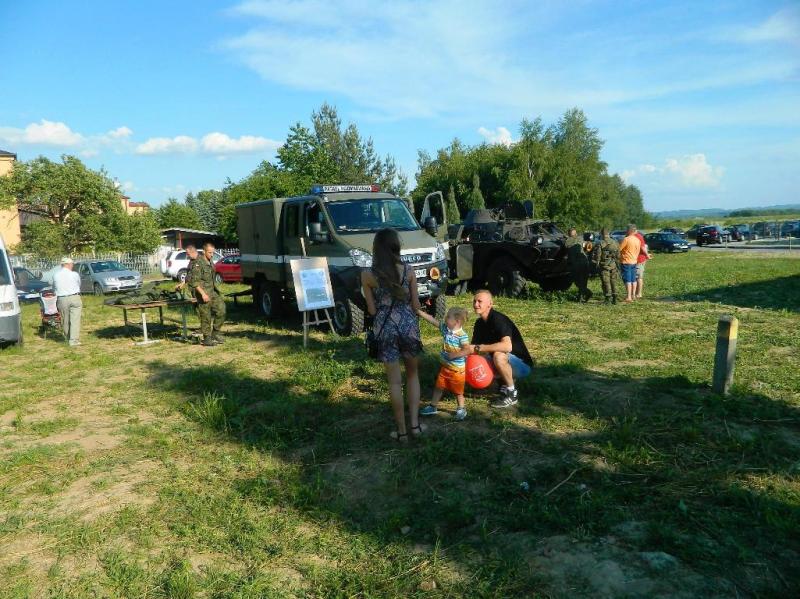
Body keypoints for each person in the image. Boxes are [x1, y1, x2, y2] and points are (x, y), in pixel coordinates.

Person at [362, 228, 424, 442]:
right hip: (408, 327)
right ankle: (415, 426)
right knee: (413, 375)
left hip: (385, 328)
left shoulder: (368, 275)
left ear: (376, 249)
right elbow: (416, 306)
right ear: (396, 246)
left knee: (395, 383)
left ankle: (402, 432)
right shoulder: (409, 270)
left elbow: (371, 311)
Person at [467, 290, 533, 408]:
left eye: (479, 301)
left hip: (522, 365)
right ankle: (500, 383)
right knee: (471, 358)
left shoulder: (499, 319)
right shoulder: (479, 323)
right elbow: (473, 349)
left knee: (499, 355)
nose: (476, 304)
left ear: (490, 304)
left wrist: (481, 348)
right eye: (474, 301)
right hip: (502, 361)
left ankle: (511, 393)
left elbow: (507, 346)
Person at [417, 306, 470, 421]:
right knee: (439, 387)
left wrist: (454, 355)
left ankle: (461, 408)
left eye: (448, 317)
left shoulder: (462, 336)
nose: (445, 318)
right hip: (445, 368)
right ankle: (433, 406)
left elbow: (467, 350)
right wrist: (420, 312)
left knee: (458, 392)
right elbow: (433, 321)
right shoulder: (446, 329)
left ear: (457, 321)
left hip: (457, 371)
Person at [188, 242, 225, 346]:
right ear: (204, 251)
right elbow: (194, 282)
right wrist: (203, 294)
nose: (212, 255)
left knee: (222, 310)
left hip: (213, 292)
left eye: (213, 252)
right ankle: (207, 338)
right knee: (206, 316)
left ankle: (215, 333)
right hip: (203, 293)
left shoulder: (210, 261)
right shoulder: (198, 263)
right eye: (210, 252)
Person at [53, 256, 82, 346]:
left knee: (65, 319)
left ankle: (68, 337)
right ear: (68, 264)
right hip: (74, 297)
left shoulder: (56, 275)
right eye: (72, 264)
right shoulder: (74, 274)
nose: (72, 265)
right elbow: (79, 284)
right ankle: (73, 340)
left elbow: (54, 287)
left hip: (62, 298)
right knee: (75, 319)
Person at [592, 228, 621, 304]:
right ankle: (615, 298)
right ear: (608, 233)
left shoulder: (600, 243)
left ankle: (607, 298)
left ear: (601, 234)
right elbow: (618, 255)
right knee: (613, 281)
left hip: (604, 265)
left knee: (606, 282)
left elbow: (598, 255)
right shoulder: (615, 242)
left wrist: (596, 263)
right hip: (613, 265)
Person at [564, 228, 592, 302]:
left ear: (569, 234)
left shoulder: (568, 240)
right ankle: (580, 297)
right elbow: (587, 247)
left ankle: (588, 293)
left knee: (577, 281)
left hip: (577, 264)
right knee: (584, 281)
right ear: (576, 233)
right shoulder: (581, 239)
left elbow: (566, 246)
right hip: (585, 262)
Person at [619, 225, 642, 303]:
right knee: (633, 279)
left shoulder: (626, 239)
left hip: (626, 261)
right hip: (634, 261)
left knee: (627, 280)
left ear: (629, 231)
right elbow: (638, 251)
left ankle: (628, 297)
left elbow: (619, 249)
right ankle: (633, 295)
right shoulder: (637, 240)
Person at [632, 226, 651, 299]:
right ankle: (635, 293)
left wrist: (647, 255)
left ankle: (639, 294)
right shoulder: (637, 236)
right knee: (636, 277)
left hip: (639, 259)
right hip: (637, 259)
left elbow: (643, 247)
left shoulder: (638, 236)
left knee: (638, 277)